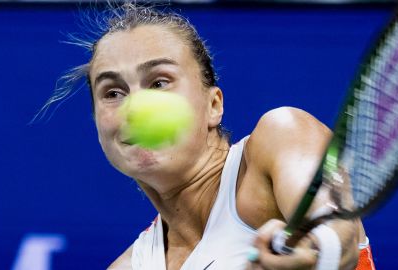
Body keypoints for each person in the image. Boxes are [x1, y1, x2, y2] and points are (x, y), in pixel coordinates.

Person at [45, 3, 375, 269]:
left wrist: (314, 252)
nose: (135, 108)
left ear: (213, 105)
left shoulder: (281, 136)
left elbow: (333, 225)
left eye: (159, 83)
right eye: (113, 92)